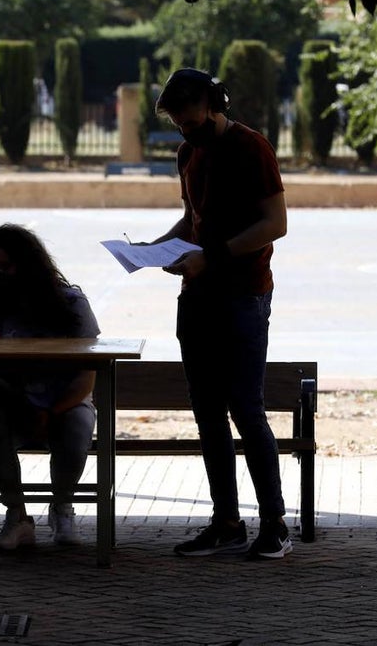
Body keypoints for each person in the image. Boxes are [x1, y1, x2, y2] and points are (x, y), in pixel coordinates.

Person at [143, 67, 292, 560]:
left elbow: (275, 224)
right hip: (198, 295)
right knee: (207, 414)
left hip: (243, 294)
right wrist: (156, 250)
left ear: (214, 104)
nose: (185, 130)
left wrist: (213, 256)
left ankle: (274, 523)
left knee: (247, 410)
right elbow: (193, 219)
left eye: (190, 119)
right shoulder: (188, 152)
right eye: (178, 123)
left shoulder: (252, 148)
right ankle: (226, 522)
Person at [0, 223, 101, 550]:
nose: (3, 275)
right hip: (10, 399)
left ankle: (62, 505)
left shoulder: (72, 304)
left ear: (30, 262)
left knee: (76, 427)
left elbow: (87, 375)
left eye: (8, 266)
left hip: (66, 399)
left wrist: (52, 410)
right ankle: (16, 513)